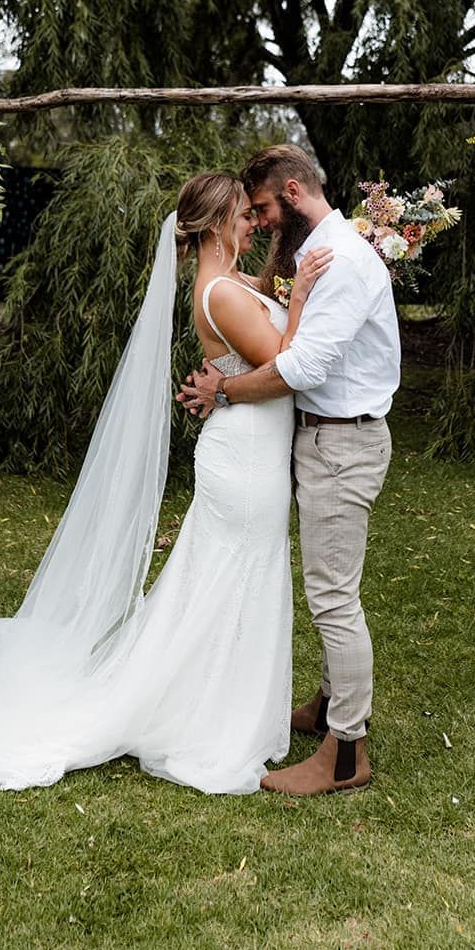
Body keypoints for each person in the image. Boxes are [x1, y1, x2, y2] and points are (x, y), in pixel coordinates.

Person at [0, 172, 330, 795]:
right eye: (245, 216)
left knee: (228, 582)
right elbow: (285, 360)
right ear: (218, 222)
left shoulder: (231, 284)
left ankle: (215, 703)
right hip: (246, 459)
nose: (255, 223)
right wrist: (302, 295)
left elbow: (267, 306)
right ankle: (206, 718)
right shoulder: (219, 293)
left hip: (250, 449)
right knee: (232, 582)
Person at [179, 145, 401, 796]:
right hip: (313, 442)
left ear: (297, 192)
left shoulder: (341, 263)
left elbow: (297, 367)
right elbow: (252, 313)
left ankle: (344, 752)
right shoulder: (312, 257)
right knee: (327, 588)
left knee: (333, 596)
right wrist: (226, 368)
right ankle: (329, 708)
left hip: (343, 444)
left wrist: (223, 391)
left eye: (266, 209)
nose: (261, 222)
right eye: (250, 215)